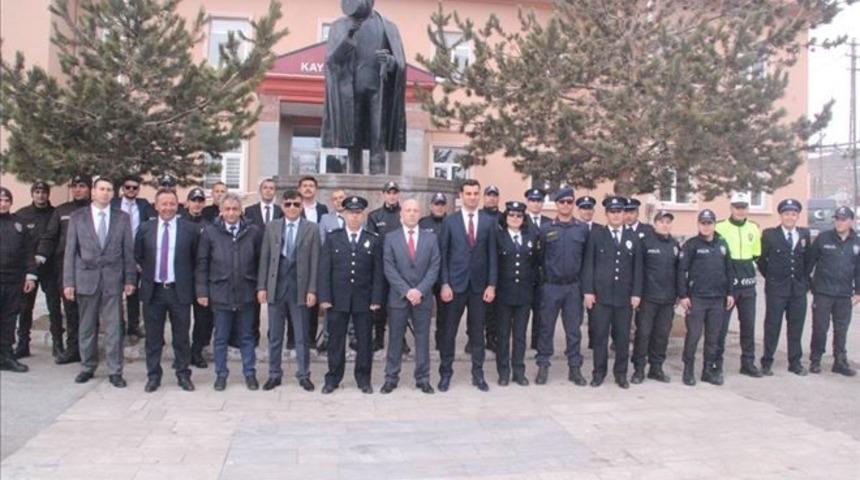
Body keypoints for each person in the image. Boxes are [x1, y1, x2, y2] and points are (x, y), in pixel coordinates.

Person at [63, 177, 137, 387]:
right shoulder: (78, 217)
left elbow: (128, 251)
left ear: (114, 194)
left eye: (109, 190)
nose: (105, 193)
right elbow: (70, 252)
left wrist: (130, 278)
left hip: (113, 279)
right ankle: (87, 366)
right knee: (86, 327)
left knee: (114, 327)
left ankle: (115, 370)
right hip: (86, 278)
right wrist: (69, 282)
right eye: (101, 189)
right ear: (93, 192)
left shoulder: (122, 218)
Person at [196, 192, 263, 391]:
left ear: (241, 210)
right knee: (221, 337)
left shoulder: (253, 232)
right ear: (221, 211)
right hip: (220, 291)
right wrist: (202, 291)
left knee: (247, 336)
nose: (231, 213)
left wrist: (261, 287)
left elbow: (260, 262)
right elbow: (202, 264)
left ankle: (249, 373)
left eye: (235, 209)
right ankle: (221, 374)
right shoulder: (210, 232)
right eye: (227, 209)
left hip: (246, 291)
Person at [257, 189, 320, 392]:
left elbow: (315, 261)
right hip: (276, 287)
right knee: (275, 335)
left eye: (296, 204)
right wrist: (262, 287)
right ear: (282, 206)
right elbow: (264, 258)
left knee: (301, 337)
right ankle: (274, 374)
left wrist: (312, 289)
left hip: (299, 289)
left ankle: (304, 375)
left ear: (301, 206)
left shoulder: (311, 228)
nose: (292, 208)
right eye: (288, 204)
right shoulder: (272, 227)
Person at [135, 189, 198, 393]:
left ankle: (183, 374)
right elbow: (139, 256)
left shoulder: (189, 229)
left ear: (178, 205)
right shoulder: (145, 228)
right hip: (153, 291)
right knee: (153, 338)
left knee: (181, 337)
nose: (168, 208)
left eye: (172, 204)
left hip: (178, 290)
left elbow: (195, 259)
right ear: (156, 206)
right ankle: (153, 376)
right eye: (164, 204)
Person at [318, 196, 383, 394]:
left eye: (358, 213)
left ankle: (363, 379)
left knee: (364, 342)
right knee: (336, 341)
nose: (354, 217)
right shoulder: (333, 237)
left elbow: (378, 273)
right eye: (350, 213)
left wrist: (376, 299)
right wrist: (325, 297)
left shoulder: (373, 239)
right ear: (344, 214)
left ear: (363, 215)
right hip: (338, 299)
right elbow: (324, 270)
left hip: (364, 300)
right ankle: (333, 378)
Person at [438, 179, 497, 392]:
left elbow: (492, 256)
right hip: (454, 286)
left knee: (477, 332)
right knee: (449, 332)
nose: (472, 197)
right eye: (468, 193)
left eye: (475, 193)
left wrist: (491, 285)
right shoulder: (450, 222)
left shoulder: (489, 222)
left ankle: (478, 374)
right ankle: (445, 373)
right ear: (461, 196)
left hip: (479, 287)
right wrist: (444, 283)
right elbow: (443, 255)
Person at [380, 198, 440, 394]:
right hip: (398, 298)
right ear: (401, 215)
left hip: (422, 298)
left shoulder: (431, 238)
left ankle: (422, 378)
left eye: (415, 210)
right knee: (395, 339)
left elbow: (434, 267)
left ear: (419, 214)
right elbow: (389, 268)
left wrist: (419, 290)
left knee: (423, 340)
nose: (412, 214)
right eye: (408, 210)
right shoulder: (391, 238)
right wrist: (406, 291)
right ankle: (391, 377)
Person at [582, 196, 643, 389]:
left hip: (624, 297)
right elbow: (588, 265)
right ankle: (598, 373)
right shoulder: (596, 235)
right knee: (600, 336)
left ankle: (621, 374)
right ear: (607, 214)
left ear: (624, 214)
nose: (616, 215)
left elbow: (638, 268)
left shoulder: (633, 237)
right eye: (612, 212)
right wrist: (588, 291)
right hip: (601, 296)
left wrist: (636, 293)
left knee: (622, 337)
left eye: (619, 212)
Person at [535, 187, 589, 385]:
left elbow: (585, 259)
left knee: (573, 330)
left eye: (569, 202)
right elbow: (540, 258)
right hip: (551, 286)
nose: (566, 205)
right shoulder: (546, 229)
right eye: (562, 202)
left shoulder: (582, 229)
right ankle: (543, 365)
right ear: (556, 204)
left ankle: (575, 368)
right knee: (546, 328)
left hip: (573, 287)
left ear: (573, 204)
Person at [37, 174, 91, 364]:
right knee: (70, 310)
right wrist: (41, 256)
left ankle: (88, 350)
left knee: (89, 311)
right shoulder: (61, 211)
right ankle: (72, 349)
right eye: (75, 186)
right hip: (65, 268)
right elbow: (50, 237)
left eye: (82, 186)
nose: (78, 189)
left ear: (89, 188)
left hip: (89, 269)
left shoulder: (96, 209)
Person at [677, 209, 734, 386]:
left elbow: (729, 270)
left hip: (717, 298)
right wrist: (683, 295)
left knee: (713, 337)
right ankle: (688, 370)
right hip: (697, 299)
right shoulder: (691, 245)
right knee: (694, 335)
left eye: (709, 223)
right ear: (698, 224)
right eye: (703, 223)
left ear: (714, 224)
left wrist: (730, 292)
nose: (706, 226)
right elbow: (681, 271)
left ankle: (708, 371)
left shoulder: (722, 244)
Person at [757, 199, 811, 376]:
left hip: (797, 290)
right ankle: (767, 361)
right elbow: (762, 261)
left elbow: (807, 261)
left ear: (797, 216)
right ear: (781, 215)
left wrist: (803, 283)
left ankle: (795, 362)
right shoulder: (769, 234)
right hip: (776, 289)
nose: (790, 217)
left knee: (796, 326)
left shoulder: (804, 234)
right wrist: (772, 279)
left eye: (793, 214)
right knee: (772, 326)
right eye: (787, 214)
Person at [806, 206, 860, 377]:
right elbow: (809, 263)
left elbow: (858, 269)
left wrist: (858, 291)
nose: (839, 222)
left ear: (851, 221)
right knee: (820, 328)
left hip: (844, 294)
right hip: (823, 292)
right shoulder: (823, 238)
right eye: (837, 219)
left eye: (843, 219)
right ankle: (815, 360)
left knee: (841, 329)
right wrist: (809, 285)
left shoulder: (857, 241)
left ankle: (840, 361)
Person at [715, 192, 763, 377]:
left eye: (744, 207)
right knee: (721, 327)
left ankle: (748, 363)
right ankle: (716, 363)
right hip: (728, 285)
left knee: (748, 326)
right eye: (737, 207)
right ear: (731, 208)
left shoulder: (753, 228)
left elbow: (756, 255)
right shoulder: (720, 227)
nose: (740, 211)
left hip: (748, 285)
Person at [15, 181, 62, 359]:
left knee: (54, 307)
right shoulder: (22, 215)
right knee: (25, 307)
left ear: (48, 194)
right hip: (29, 268)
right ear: (32, 193)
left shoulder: (55, 213)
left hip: (50, 268)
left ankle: (58, 343)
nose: (40, 195)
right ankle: (23, 344)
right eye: (37, 191)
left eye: (43, 192)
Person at [631, 210, 679, 384]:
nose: (665, 225)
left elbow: (679, 272)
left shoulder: (674, 244)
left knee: (662, 335)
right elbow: (637, 271)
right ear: (655, 223)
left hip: (667, 300)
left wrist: (680, 294)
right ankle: (638, 369)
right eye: (662, 221)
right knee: (643, 334)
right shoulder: (645, 243)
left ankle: (656, 368)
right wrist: (636, 294)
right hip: (648, 298)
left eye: (668, 221)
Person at [494, 201, 538, 386]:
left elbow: (535, 264)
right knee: (503, 335)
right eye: (511, 215)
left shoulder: (531, 236)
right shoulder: (499, 236)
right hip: (504, 294)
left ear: (523, 218)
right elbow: (494, 264)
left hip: (524, 294)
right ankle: (503, 372)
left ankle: (519, 371)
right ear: (506, 217)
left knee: (520, 335)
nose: (515, 219)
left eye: (519, 216)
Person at [112, 175, 156, 338]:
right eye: (128, 187)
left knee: (134, 292)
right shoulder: (113, 204)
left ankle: (133, 325)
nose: (131, 190)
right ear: (123, 189)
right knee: (116, 291)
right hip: (116, 253)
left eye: (134, 187)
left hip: (136, 253)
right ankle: (118, 325)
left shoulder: (143, 205)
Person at [0, 187, 37, 372]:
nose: (3, 204)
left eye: (6, 200)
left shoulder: (19, 224)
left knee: (9, 319)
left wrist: (31, 275)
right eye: (0, 200)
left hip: (14, 280)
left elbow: (28, 252)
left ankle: (6, 356)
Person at [367, 180, 403, 351]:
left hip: (401, 268)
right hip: (380, 266)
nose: (392, 195)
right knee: (379, 305)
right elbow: (372, 242)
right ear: (384, 194)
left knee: (399, 305)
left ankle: (400, 340)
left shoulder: (405, 214)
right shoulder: (374, 216)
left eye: (395, 192)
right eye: (389, 192)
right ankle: (379, 338)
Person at [316, 188, 349, 352]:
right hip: (334, 269)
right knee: (331, 305)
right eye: (335, 198)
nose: (338, 201)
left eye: (341, 197)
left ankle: (353, 337)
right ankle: (328, 338)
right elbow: (323, 243)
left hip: (352, 268)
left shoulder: (355, 216)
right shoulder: (325, 219)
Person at [184, 187, 213, 368]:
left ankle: (197, 352)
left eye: (200, 201)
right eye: (194, 200)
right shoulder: (179, 223)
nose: (197, 204)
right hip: (182, 277)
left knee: (203, 320)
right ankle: (183, 353)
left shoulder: (209, 225)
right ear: (187, 203)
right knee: (181, 319)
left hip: (202, 278)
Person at [297, 176, 327, 349]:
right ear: (299, 188)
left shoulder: (322, 209)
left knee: (313, 301)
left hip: (316, 258)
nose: (308, 188)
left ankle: (310, 339)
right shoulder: (293, 207)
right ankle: (295, 339)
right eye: (305, 185)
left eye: (311, 186)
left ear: (316, 189)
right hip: (298, 259)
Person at [419, 192, 448, 349]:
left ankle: (441, 342)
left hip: (444, 275)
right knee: (424, 311)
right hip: (426, 274)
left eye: (442, 204)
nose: (439, 207)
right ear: (431, 206)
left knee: (444, 313)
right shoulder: (423, 223)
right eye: (436, 204)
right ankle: (422, 342)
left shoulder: (451, 222)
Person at [525, 188, 551, 350]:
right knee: (523, 311)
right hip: (526, 274)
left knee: (541, 311)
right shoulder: (520, 220)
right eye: (533, 200)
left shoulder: (549, 222)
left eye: (538, 200)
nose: (535, 203)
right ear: (528, 202)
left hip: (543, 275)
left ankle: (537, 343)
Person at [481, 185, 501, 353]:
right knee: (478, 307)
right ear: (484, 197)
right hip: (480, 268)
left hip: (499, 268)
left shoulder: (504, 218)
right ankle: (474, 338)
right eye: (489, 195)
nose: (492, 198)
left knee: (494, 308)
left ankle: (492, 338)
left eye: (495, 195)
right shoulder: (478, 217)